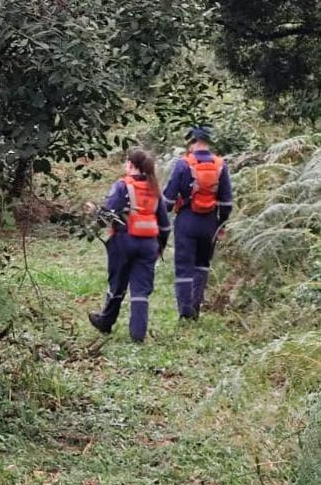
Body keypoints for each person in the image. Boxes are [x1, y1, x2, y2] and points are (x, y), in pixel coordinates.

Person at [86, 147, 171, 343]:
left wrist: (94, 211)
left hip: (124, 242)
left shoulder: (122, 186)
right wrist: (160, 248)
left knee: (117, 284)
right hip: (149, 244)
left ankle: (106, 321)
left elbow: (108, 215)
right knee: (141, 290)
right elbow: (165, 225)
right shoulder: (155, 189)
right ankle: (138, 335)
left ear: (131, 165)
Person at [162, 126, 233, 320]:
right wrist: (221, 224)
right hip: (210, 222)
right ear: (209, 142)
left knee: (184, 266)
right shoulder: (220, 165)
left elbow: (168, 199)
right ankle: (195, 308)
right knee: (202, 264)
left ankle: (185, 310)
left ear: (192, 142)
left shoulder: (183, 164)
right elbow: (226, 201)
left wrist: (160, 217)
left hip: (186, 219)